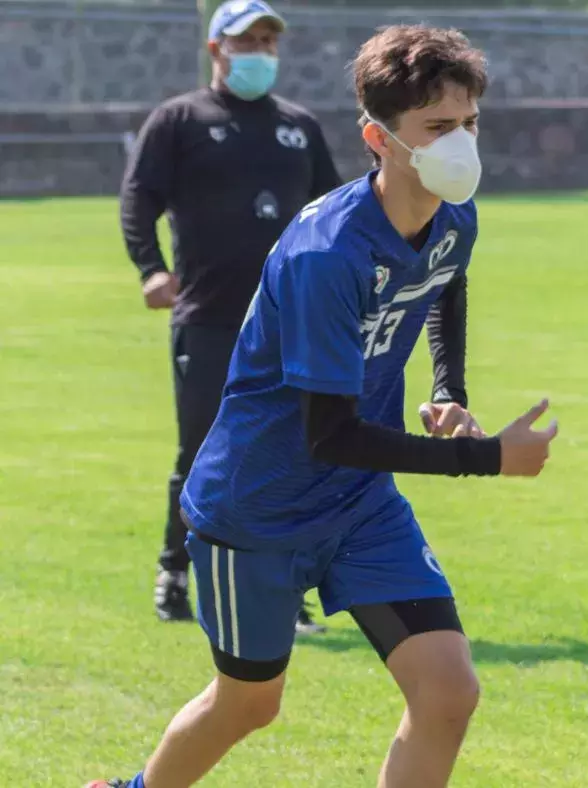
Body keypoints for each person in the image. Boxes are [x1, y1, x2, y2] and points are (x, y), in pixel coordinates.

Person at [87, 24, 560, 788]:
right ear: (379, 137)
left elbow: (446, 282)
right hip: (257, 510)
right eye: (437, 128)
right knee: (248, 704)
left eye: (470, 123)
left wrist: (448, 390)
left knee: (448, 692)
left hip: (359, 507)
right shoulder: (325, 256)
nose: (461, 144)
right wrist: (487, 458)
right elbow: (331, 433)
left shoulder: (452, 213)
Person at [119, 0, 341, 632]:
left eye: (270, 39)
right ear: (217, 49)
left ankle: (281, 590)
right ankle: (176, 574)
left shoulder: (300, 126)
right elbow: (138, 199)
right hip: (211, 317)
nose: (262, 51)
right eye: (249, 40)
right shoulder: (180, 120)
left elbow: (331, 217)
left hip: (287, 324)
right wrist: (150, 269)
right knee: (203, 453)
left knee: (291, 453)